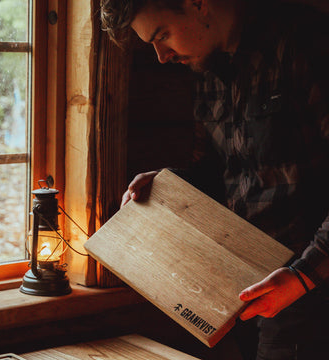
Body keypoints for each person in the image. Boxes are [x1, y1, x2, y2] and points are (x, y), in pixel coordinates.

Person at [100, 0, 329, 359]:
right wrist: (167, 184)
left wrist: (303, 276)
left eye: (162, 35)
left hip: (312, 295)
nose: (161, 56)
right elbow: (219, 176)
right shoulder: (209, 71)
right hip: (246, 291)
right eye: (152, 45)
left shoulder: (305, 43)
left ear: (197, 5)